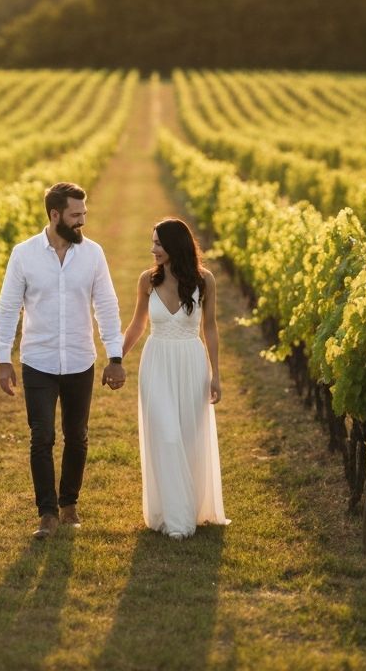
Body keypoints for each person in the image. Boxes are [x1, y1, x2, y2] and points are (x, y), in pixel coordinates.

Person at [0, 181, 125, 540]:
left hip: (80, 358)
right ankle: (47, 512)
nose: (82, 221)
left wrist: (114, 356)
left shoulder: (93, 254)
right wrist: (3, 359)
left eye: (84, 213)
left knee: (77, 436)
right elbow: (8, 307)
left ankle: (69, 504)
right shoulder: (24, 254)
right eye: (75, 214)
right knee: (42, 436)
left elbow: (106, 306)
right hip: (38, 359)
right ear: (55, 215)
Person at [122, 217, 227, 539]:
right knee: (166, 435)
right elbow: (138, 324)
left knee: (189, 436)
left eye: (158, 243)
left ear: (174, 245)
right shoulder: (147, 280)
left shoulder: (204, 281)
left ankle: (187, 508)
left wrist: (216, 374)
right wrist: (116, 358)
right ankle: (177, 520)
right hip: (156, 362)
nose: (152, 249)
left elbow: (210, 328)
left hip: (191, 362)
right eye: (152, 242)